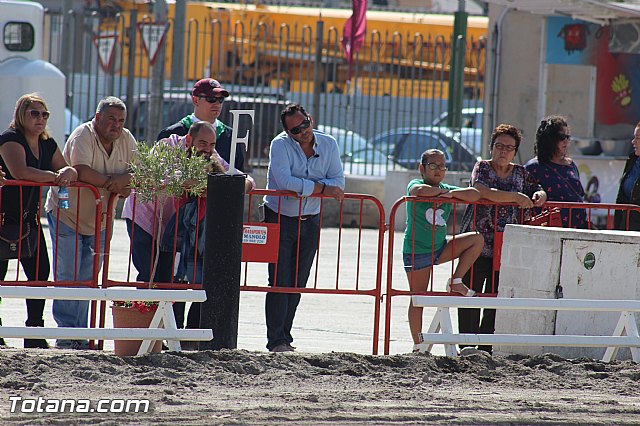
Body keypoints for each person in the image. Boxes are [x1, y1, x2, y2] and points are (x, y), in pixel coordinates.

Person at [45, 96, 136, 350]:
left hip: (102, 220)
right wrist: (112, 182)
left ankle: (79, 335)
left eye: (120, 120)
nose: (116, 125)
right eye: (111, 119)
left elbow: (137, 172)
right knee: (67, 274)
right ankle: (67, 336)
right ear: (97, 118)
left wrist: (123, 181)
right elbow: (81, 171)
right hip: (68, 214)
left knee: (87, 277)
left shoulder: (127, 139)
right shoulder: (82, 135)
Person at [262, 103, 345, 353]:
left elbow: (339, 183)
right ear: (288, 133)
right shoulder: (279, 145)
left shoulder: (329, 143)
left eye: (305, 125)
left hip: (311, 218)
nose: (303, 132)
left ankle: (285, 336)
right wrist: (320, 188)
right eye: (296, 130)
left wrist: (306, 187)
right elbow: (284, 181)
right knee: (279, 280)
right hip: (279, 217)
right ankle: (276, 340)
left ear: (310, 119)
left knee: (298, 282)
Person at [459, 124, 546, 354]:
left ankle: (485, 346)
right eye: (499, 146)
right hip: (476, 244)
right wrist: (515, 198)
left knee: (496, 296)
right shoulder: (483, 167)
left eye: (509, 147)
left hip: (504, 246)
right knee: (470, 293)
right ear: (491, 147)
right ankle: (466, 345)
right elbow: (481, 190)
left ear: (515, 151)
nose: (503, 151)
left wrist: (539, 196)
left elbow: (537, 189)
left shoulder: (519, 172)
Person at [0, 93, 78, 349]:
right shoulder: (10, 139)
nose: (40, 119)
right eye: (34, 113)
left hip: (29, 221)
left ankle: (34, 330)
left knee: (39, 275)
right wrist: (55, 176)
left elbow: (66, 170)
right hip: (3, 219)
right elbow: (20, 171)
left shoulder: (47, 143)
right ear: (21, 114)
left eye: (44, 114)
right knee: (0, 277)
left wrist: (68, 172)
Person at [403, 148, 483, 353]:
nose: (438, 170)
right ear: (422, 168)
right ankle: (418, 346)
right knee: (418, 298)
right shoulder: (416, 183)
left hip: (440, 247)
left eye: (442, 166)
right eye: (433, 166)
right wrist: (444, 194)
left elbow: (474, 194)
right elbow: (419, 193)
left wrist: (450, 193)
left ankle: (456, 280)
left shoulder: (445, 188)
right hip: (417, 251)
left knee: (476, 239)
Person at [157, 78, 244, 171]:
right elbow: (159, 174)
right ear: (195, 100)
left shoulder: (230, 136)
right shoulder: (172, 134)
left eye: (221, 99)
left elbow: (238, 175)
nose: (217, 104)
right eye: (211, 99)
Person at [524, 115, 587, 228]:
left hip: (577, 229)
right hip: (549, 231)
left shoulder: (571, 165)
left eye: (568, 137)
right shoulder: (533, 167)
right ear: (549, 138)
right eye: (561, 137)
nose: (566, 141)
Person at [614, 121, 640, 231]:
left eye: (638, 138)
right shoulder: (632, 161)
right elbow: (622, 196)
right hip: (626, 227)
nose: (633, 142)